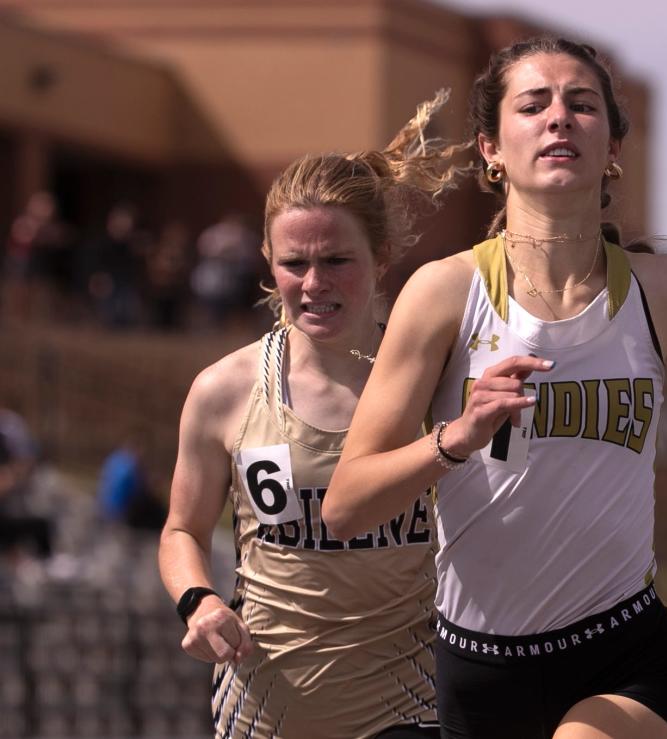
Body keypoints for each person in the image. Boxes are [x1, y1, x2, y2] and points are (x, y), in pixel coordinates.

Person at [324, 38, 667, 739]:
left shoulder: (656, 290)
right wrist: (455, 438)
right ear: (490, 148)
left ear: (611, 148)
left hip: (626, 660)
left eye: (581, 104)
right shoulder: (444, 294)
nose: (558, 118)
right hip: (479, 674)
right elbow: (344, 505)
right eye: (533, 104)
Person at [158, 92, 464, 739]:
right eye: (294, 262)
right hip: (262, 706)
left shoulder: (436, 383)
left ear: (380, 258)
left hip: (407, 702)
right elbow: (182, 529)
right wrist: (200, 599)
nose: (313, 282)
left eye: (336, 261)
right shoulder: (225, 389)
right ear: (268, 262)